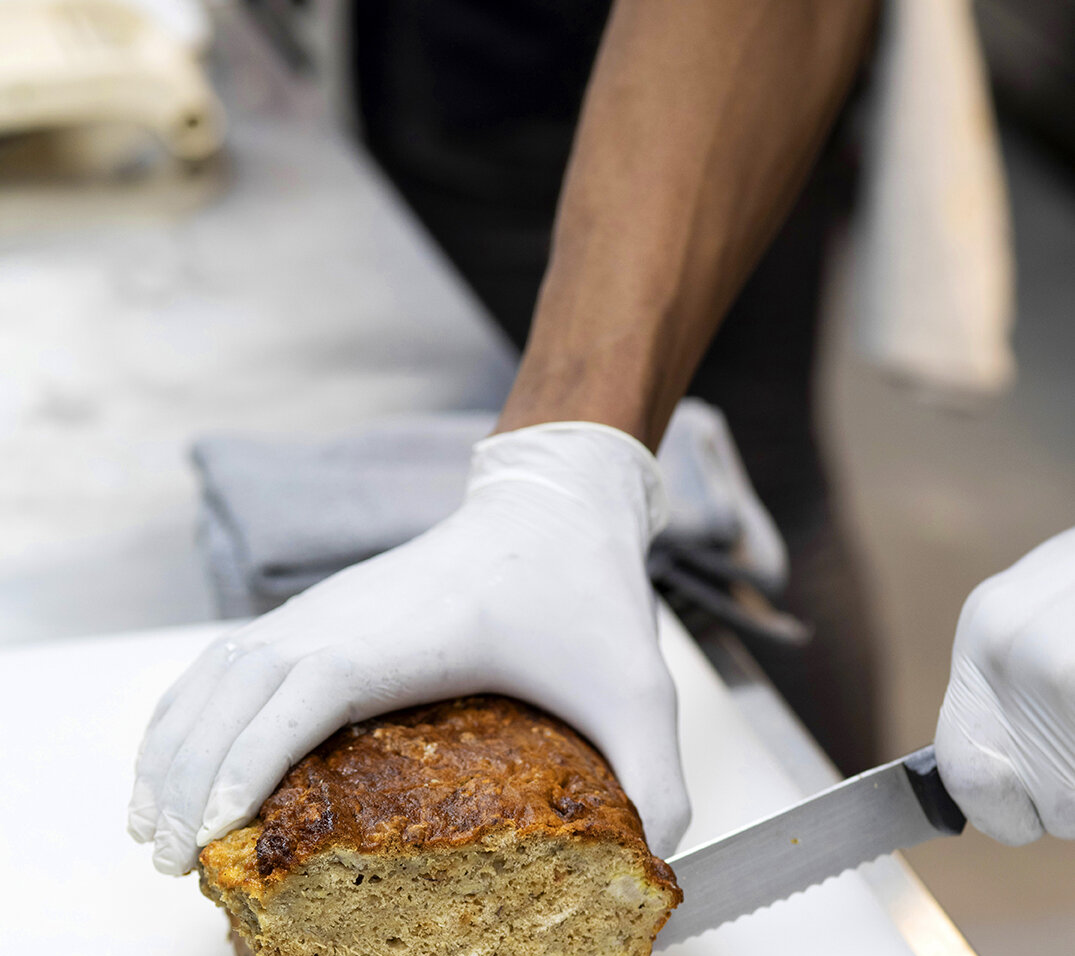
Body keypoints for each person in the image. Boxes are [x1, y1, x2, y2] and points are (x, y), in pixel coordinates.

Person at [128, 0, 1075, 872]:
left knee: (759, 478)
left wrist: (563, 454)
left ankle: (873, 893)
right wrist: (562, 468)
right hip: (448, 55)